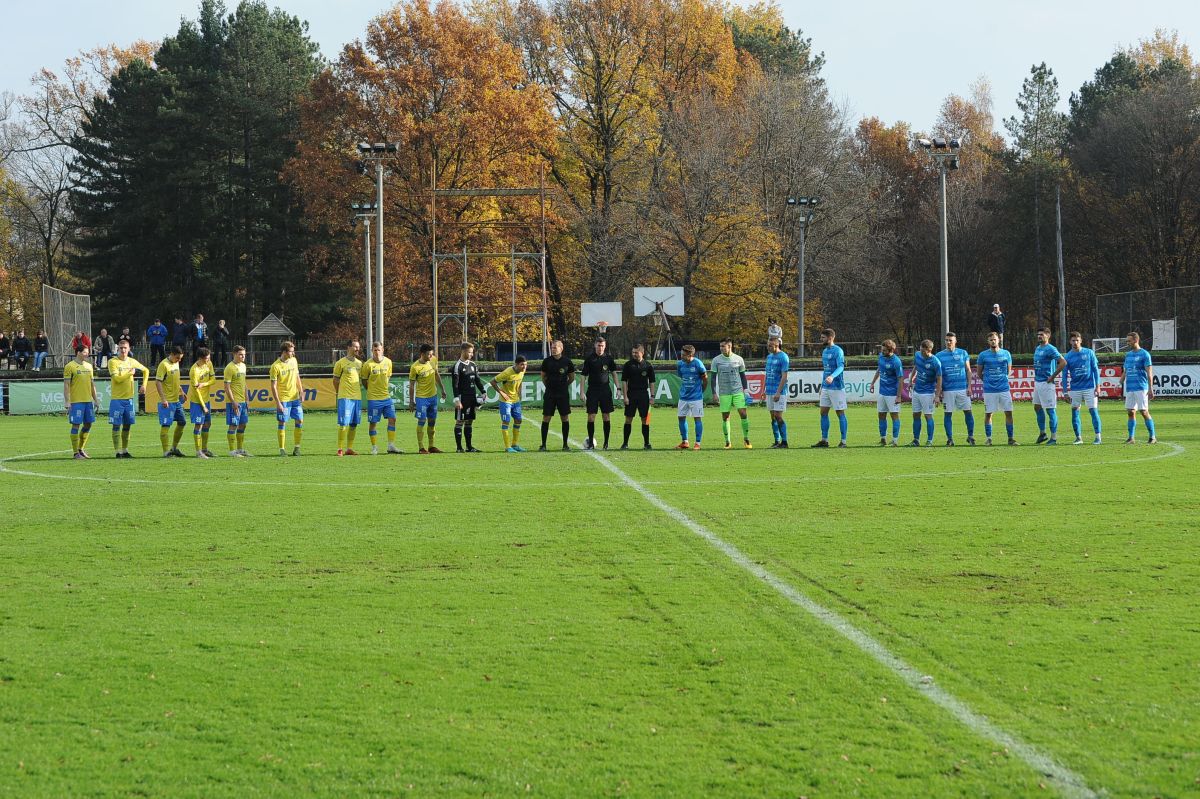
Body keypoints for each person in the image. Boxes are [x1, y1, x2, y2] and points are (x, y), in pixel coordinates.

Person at [107, 339, 149, 458]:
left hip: (129, 399)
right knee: (116, 425)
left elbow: (146, 370)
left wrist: (144, 385)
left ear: (129, 349)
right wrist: (129, 374)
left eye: (125, 348)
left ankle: (125, 450)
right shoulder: (112, 362)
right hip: (117, 399)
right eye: (121, 348)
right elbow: (117, 379)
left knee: (127, 425)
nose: (123, 350)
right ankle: (117, 451)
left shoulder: (132, 361)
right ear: (118, 349)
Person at [976, 331, 1017, 445]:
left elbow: (1008, 371)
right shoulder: (983, 355)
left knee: (1008, 413)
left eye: (994, 339)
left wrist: (1001, 380)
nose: (993, 341)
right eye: (991, 340)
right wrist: (988, 381)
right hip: (989, 390)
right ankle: (989, 438)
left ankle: (1010, 439)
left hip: (1004, 389)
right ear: (988, 341)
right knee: (989, 414)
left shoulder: (1006, 354)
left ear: (999, 340)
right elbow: (979, 373)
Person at [935, 332, 975, 446]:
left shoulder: (963, 353)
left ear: (955, 341)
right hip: (948, 390)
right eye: (946, 340)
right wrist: (939, 390)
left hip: (962, 389)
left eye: (950, 340)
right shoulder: (939, 356)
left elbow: (968, 370)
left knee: (968, 412)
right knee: (948, 414)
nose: (948, 342)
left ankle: (971, 436)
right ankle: (950, 439)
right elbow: (938, 375)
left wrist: (969, 386)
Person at [710, 338, 751, 449]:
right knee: (725, 417)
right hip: (724, 392)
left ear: (730, 346)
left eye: (723, 346)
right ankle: (727, 441)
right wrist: (714, 393)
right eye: (720, 346)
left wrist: (746, 390)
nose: (721, 348)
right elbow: (713, 378)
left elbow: (743, 376)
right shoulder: (716, 360)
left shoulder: (739, 359)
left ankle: (746, 439)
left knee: (743, 413)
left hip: (738, 391)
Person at [1064, 332, 1102, 445]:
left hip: (1090, 387)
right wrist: (1065, 392)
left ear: (1081, 341)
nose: (1075, 342)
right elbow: (1064, 375)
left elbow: (1095, 370)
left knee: (1093, 411)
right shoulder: (1067, 356)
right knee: (1075, 412)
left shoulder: (1089, 353)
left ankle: (1098, 437)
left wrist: (1098, 386)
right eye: (1073, 340)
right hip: (1075, 388)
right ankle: (1078, 438)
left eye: (1077, 340)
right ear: (1070, 342)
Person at [362, 341, 401, 455]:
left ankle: (391, 446)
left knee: (392, 419)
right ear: (372, 351)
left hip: (386, 397)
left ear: (382, 350)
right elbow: (364, 380)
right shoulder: (367, 365)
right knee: (373, 422)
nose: (377, 352)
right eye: (375, 350)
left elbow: (388, 376)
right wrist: (371, 389)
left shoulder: (388, 362)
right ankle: (374, 447)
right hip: (373, 399)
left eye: (379, 350)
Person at [408, 343, 447, 454]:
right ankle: (421, 448)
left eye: (431, 354)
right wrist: (411, 401)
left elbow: (436, 374)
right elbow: (411, 385)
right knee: (422, 421)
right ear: (422, 354)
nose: (431, 356)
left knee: (432, 421)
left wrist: (442, 389)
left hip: (433, 397)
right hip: (422, 398)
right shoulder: (415, 367)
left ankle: (431, 446)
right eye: (429, 354)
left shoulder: (433, 360)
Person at [538, 339, 576, 451]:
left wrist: (563, 386)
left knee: (564, 417)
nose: (553, 349)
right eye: (552, 347)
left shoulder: (567, 362)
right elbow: (543, 377)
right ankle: (543, 445)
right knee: (546, 417)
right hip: (550, 394)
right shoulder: (546, 361)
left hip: (563, 394)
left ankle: (565, 445)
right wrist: (549, 386)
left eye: (555, 347)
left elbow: (571, 378)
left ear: (561, 348)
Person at [580, 338, 617, 450]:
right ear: (595, 345)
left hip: (605, 390)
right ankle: (591, 443)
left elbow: (614, 373)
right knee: (591, 416)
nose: (600, 348)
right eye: (598, 345)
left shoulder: (609, 358)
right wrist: (582, 392)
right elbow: (583, 376)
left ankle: (606, 443)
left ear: (605, 346)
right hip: (592, 391)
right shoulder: (589, 359)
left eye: (602, 346)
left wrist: (618, 388)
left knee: (606, 416)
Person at [813, 328, 847, 448]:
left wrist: (832, 376)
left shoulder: (838, 351)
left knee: (840, 413)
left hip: (837, 387)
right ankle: (824, 440)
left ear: (830, 338)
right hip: (826, 387)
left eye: (823, 337)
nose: (821, 339)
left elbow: (841, 367)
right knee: (823, 412)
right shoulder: (825, 351)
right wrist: (822, 386)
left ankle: (843, 441)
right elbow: (825, 370)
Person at [63, 343, 99, 459]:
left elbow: (92, 384)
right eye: (85, 352)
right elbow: (66, 385)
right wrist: (67, 401)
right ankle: (75, 453)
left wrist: (96, 400)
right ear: (78, 353)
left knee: (88, 424)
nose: (87, 354)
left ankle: (81, 449)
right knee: (76, 425)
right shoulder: (70, 366)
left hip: (88, 401)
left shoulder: (89, 366)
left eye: (87, 352)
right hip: (76, 402)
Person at [1032, 327, 1067, 445]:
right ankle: (1042, 433)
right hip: (1038, 383)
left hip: (1047, 384)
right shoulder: (1038, 348)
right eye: (1038, 334)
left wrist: (1052, 376)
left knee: (1050, 410)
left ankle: (1054, 437)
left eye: (1041, 334)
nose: (1039, 336)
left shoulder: (1051, 349)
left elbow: (1063, 362)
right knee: (1037, 407)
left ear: (1048, 335)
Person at [270, 341, 305, 456]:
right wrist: (278, 403)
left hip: (295, 397)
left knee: (299, 420)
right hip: (283, 399)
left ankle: (297, 448)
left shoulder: (294, 360)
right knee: (282, 422)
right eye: (291, 351)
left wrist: (301, 391)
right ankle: (282, 449)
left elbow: (297, 376)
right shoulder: (275, 366)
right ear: (284, 352)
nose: (293, 353)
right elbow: (273, 386)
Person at [451, 342, 486, 453]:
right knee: (460, 421)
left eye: (472, 352)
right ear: (463, 351)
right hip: (462, 398)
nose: (472, 354)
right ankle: (459, 448)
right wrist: (457, 399)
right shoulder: (458, 366)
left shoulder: (473, 365)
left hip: (472, 397)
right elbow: (455, 385)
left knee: (469, 421)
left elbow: (477, 380)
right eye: (470, 352)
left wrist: (483, 391)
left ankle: (469, 447)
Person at [1122, 331, 1156, 444]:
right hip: (1130, 388)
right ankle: (1131, 438)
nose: (1127, 343)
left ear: (1136, 340)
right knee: (1130, 412)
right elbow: (1126, 370)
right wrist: (1121, 380)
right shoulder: (1128, 355)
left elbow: (1149, 373)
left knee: (1144, 412)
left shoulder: (1145, 354)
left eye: (1129, 341)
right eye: (1127, 341)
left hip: (1141, 387)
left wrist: (1151, 388)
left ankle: (1152, 437)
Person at [906, 339, 942, 446]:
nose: (921, 352)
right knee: (915, 415)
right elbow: (916, 367)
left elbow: (939, 379)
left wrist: (937, 396)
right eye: (920, 350)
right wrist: (911, 380)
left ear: (929, 350)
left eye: (923, 351)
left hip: (928, 393)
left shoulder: (935, 362)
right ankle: (916, 440)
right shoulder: (918, 355)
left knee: (928, 416)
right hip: (916, 391)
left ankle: (929, 441)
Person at [869, 339, 904, 446]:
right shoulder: (881, 357)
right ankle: (883, 439)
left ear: (891, 350)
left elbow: (901, 379)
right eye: (882, 349)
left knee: (894, 416)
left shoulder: (896, 362)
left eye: (884, 350)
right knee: (881, 415)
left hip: (892, 394)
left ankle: (895, 440)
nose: (882, 351)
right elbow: (879, 369)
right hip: (882, 393)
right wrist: (873, 383)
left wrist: (899, 396)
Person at [155, 346, 188, 457]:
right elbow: (158, 382)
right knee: (166, 425)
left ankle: (174, 448)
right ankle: (166, 452)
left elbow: (175, 380)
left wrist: (181, 391)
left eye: (181, 358)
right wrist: (163, 399)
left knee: (182, 422)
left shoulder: (176, 363)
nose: (179, 360)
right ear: (172, 354)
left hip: (176, 401)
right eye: (178, 357)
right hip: (167, 401)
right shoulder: (163, 365)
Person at [620, 344, 655, 450]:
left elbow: (652, 382)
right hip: (631, 394)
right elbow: (624, 381)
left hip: (643, 395)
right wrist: (625, 396)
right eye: (633, 352)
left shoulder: (648, 366)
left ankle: (647, 443)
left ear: (642, 353)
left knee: (645, 420)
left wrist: (652, 396)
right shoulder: (628, 365)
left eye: (636, 352)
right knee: (628, 419)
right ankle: (625, 443)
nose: (634, 354)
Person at [333, 340, 364, 456]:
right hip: (345, 397)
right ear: (349, 347)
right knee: (343, 424)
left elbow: (361, 379)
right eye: (355, 347)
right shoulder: (340, 363)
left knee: (354, 424)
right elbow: (335, 380)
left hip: (357, 397)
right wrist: (339, 392)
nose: (357, 349)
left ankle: (349, 448)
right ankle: (340, 449)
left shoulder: (359, 364)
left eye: (358, 347)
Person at [492, 356, 528, 453]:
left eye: (525, 364)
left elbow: (520, 381)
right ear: (516, 364)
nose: (524, 367)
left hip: (515, 401)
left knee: (518, 420)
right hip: (505, 401)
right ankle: (507, 447)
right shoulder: (507, 373)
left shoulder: (522, 371)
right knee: (506, 421)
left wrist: (519, 391)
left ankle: (514, 445)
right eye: (522, 365)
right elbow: (493, 382)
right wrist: (502, 393)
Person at [675, 344, 707, 450]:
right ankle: (685, 442)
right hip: (683, 396)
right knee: (681, 417)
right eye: (681, 354)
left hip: (696, 397)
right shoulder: (680, 364)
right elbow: (682, 376)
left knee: (697, 418)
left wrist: (701, 391)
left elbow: (705, 379)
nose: (681, 356)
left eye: (684, 355)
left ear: (690, 355)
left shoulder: (698, 364)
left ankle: (697, 443)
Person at [188, 347, 216, 458]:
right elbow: (196, 391)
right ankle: (198, 451)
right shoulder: (194, 370)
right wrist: (203, 406)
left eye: (209, 358)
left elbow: (213, 380)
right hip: (197, 402)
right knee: (198, 425)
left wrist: (204, 384)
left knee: (207, 424)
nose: (208, 360)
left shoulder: (209, 364)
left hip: (207, 399)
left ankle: (204, 449)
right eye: (206, 358)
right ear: (200, 358)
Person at [223, 345, 251, 456]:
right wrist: (233, 401)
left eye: (244, 354)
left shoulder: (243, 366)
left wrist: (247, 398)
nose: (243, 356)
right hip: (234, 402)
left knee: (243, 424)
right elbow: (227, 387)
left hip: (243, 401)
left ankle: (240, 449)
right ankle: (232, 451)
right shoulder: (229, 368)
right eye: (240, 354)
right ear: (234, 354)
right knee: (233, 425)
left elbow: (244, 383)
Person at [764, 336, 790, 447]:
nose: (768, 347)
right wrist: (764, 390)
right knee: (772, 416)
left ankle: (784, 442)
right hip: (769, 391)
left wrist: (778, 392)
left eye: (770, 346)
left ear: (777, 345)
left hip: (779, 391)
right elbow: (767, 374)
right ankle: (776, 441)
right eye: (767, 345)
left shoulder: (783, 357)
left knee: (778, 416)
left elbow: (784, 376)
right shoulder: (769, 357)